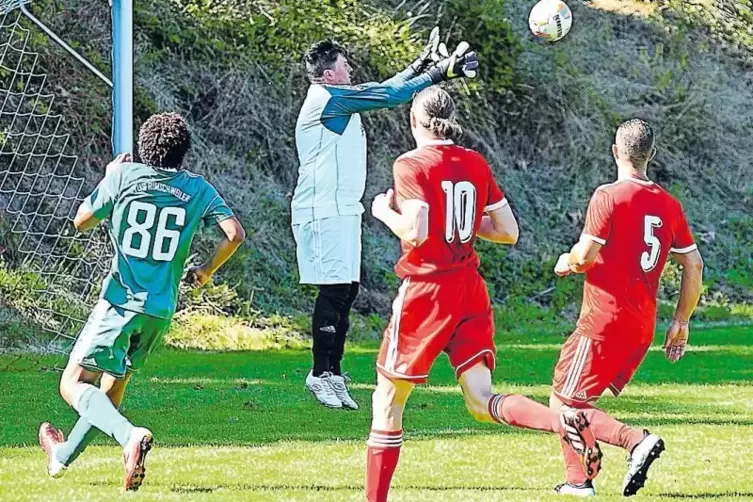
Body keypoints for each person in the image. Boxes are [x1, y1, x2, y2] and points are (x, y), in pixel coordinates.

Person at [366, 86, 603, 502]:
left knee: (387, 400)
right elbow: (508, 232)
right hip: (470, 290)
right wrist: (460, 223)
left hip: (428, 289)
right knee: (480, 399)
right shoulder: (474, 163)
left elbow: (415, 232)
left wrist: (383, 211)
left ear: (414, 122)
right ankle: (561, 422)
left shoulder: (410, 164)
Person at [38, 112, 246, 491]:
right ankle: (63, 456)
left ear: (144, 148)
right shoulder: (198, 188)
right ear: (184, 152)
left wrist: (107, 177)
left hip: (120, 302)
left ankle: (128, 436)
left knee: (71, 383)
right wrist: (206, 270)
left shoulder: (124, 177)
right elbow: (234, 234)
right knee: (111, 389)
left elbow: (81, 221)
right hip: (160, 310)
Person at [292, 30, 478, 409]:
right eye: (345, 66)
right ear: (329, 74)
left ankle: (332, 371)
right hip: (321, 208)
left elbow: (384, 87)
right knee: (333, 290)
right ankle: (319, 373)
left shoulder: (337, 96)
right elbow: (390, 96)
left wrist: (420, 65)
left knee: (346, 290)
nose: (350, 70)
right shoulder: (327, 98)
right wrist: (440, 73)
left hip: (340, 208)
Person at [549, 119, 704, 497]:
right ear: (651, 154)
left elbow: (585, 257)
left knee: (562, 404)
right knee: (578, 400)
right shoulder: (669, 204)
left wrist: (566, 260)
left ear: (615, 151)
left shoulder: (608, 195)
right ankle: (578, 482)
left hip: (603, 320)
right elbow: (694, 264)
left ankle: (635, 441)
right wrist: (680, 322)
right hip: (641, 325)